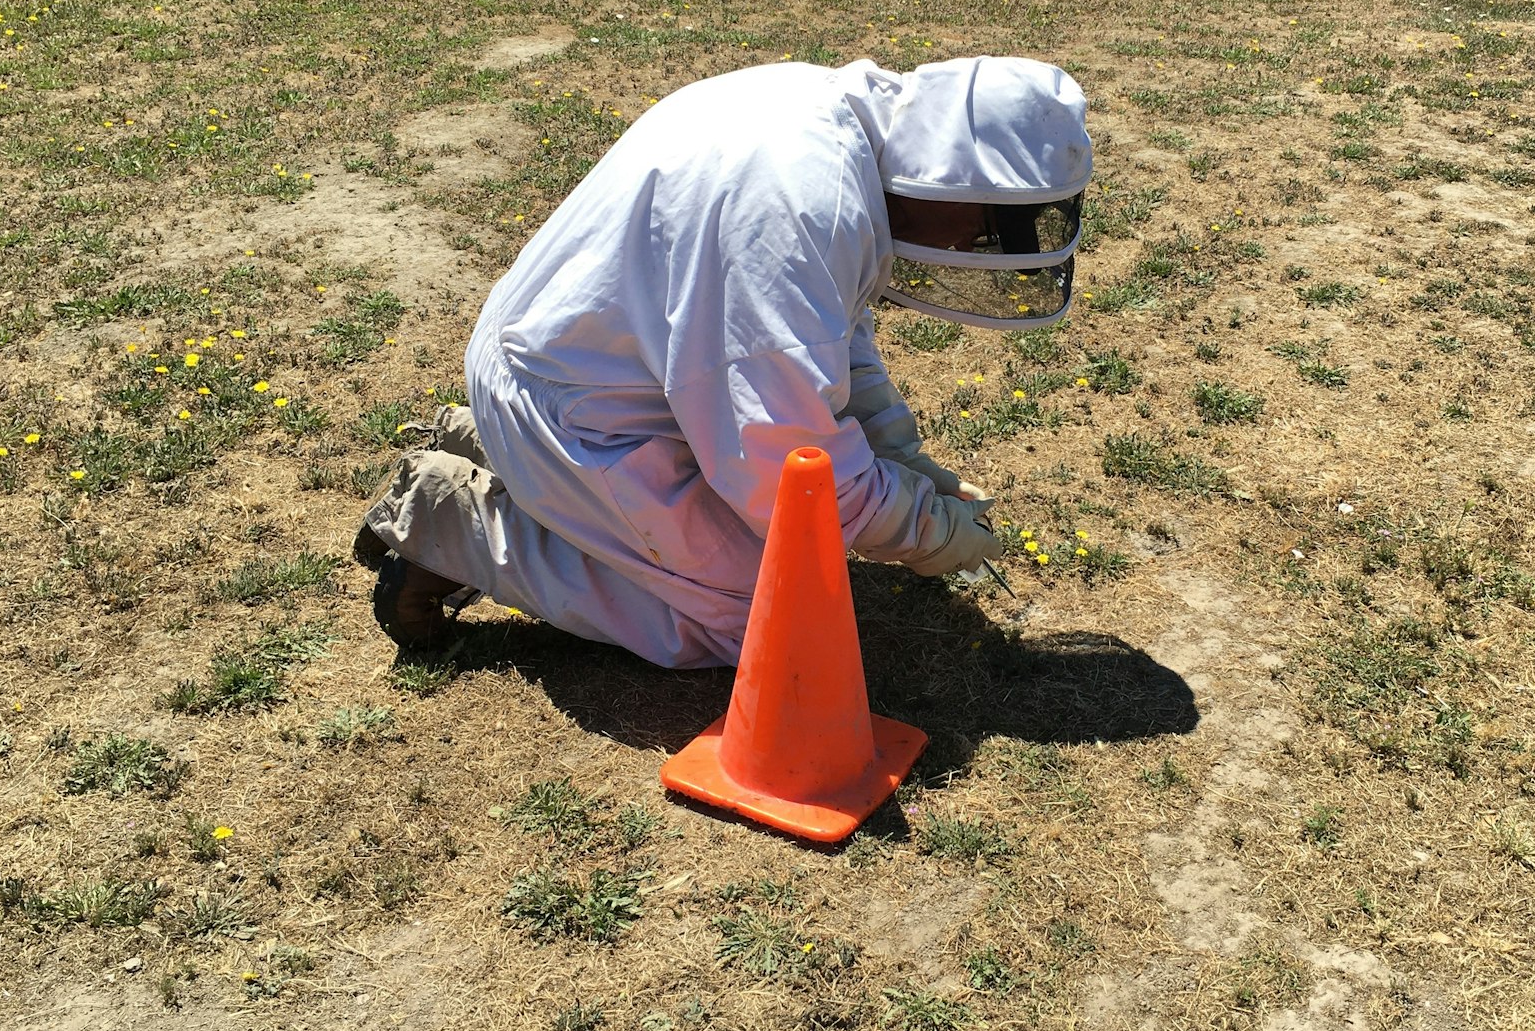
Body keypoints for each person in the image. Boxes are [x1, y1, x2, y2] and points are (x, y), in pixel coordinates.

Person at [352, 54, 1092, 668]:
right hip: (577, 411)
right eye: (996, 222)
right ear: (954, 177)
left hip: (593, 376)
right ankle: (452, 524)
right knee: (754, 618)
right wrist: (921, 531)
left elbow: (826, 338)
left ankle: (503, 454)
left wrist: (896, 452)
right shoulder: (800, 202)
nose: (985, 245)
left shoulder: (835, 130)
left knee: (786, 564)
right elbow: (786, 467)